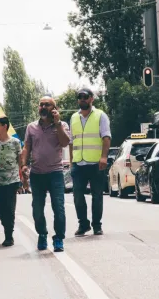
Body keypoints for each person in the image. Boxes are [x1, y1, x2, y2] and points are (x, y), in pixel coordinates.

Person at [21, 96, 70, 252]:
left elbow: (64, 143)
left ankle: (59, 239)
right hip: (37, 173)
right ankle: (42, 234)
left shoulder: (62, 125)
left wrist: (57, 124)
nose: (43, 107)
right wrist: (23, 165)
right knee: (37, 208)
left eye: (47, 105)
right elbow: (26, 147)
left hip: (55, 173)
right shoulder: (31, 127)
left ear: (54, 108)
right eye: (41, 104)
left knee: (59, 207)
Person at [68, 89, 110, 237]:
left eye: (85, 97)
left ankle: (97, 225)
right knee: (77, 195)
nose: (82, 100)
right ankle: (83, 224)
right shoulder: (74, 117)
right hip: (78, 164)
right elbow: (72, 141)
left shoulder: (100, 115)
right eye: (79, 97)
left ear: (91, 99)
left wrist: (104, 157)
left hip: (96, 163)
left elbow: (106, 138)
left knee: (97, 195)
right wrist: (72, 161)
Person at [0, 116, 22, 247]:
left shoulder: (15, 142)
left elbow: (20, 160)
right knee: (2, 208)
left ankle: (9, 235)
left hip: (12, 180)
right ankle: (6, 229)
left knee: (10, 208)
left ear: (4, 126)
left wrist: (22, 179)